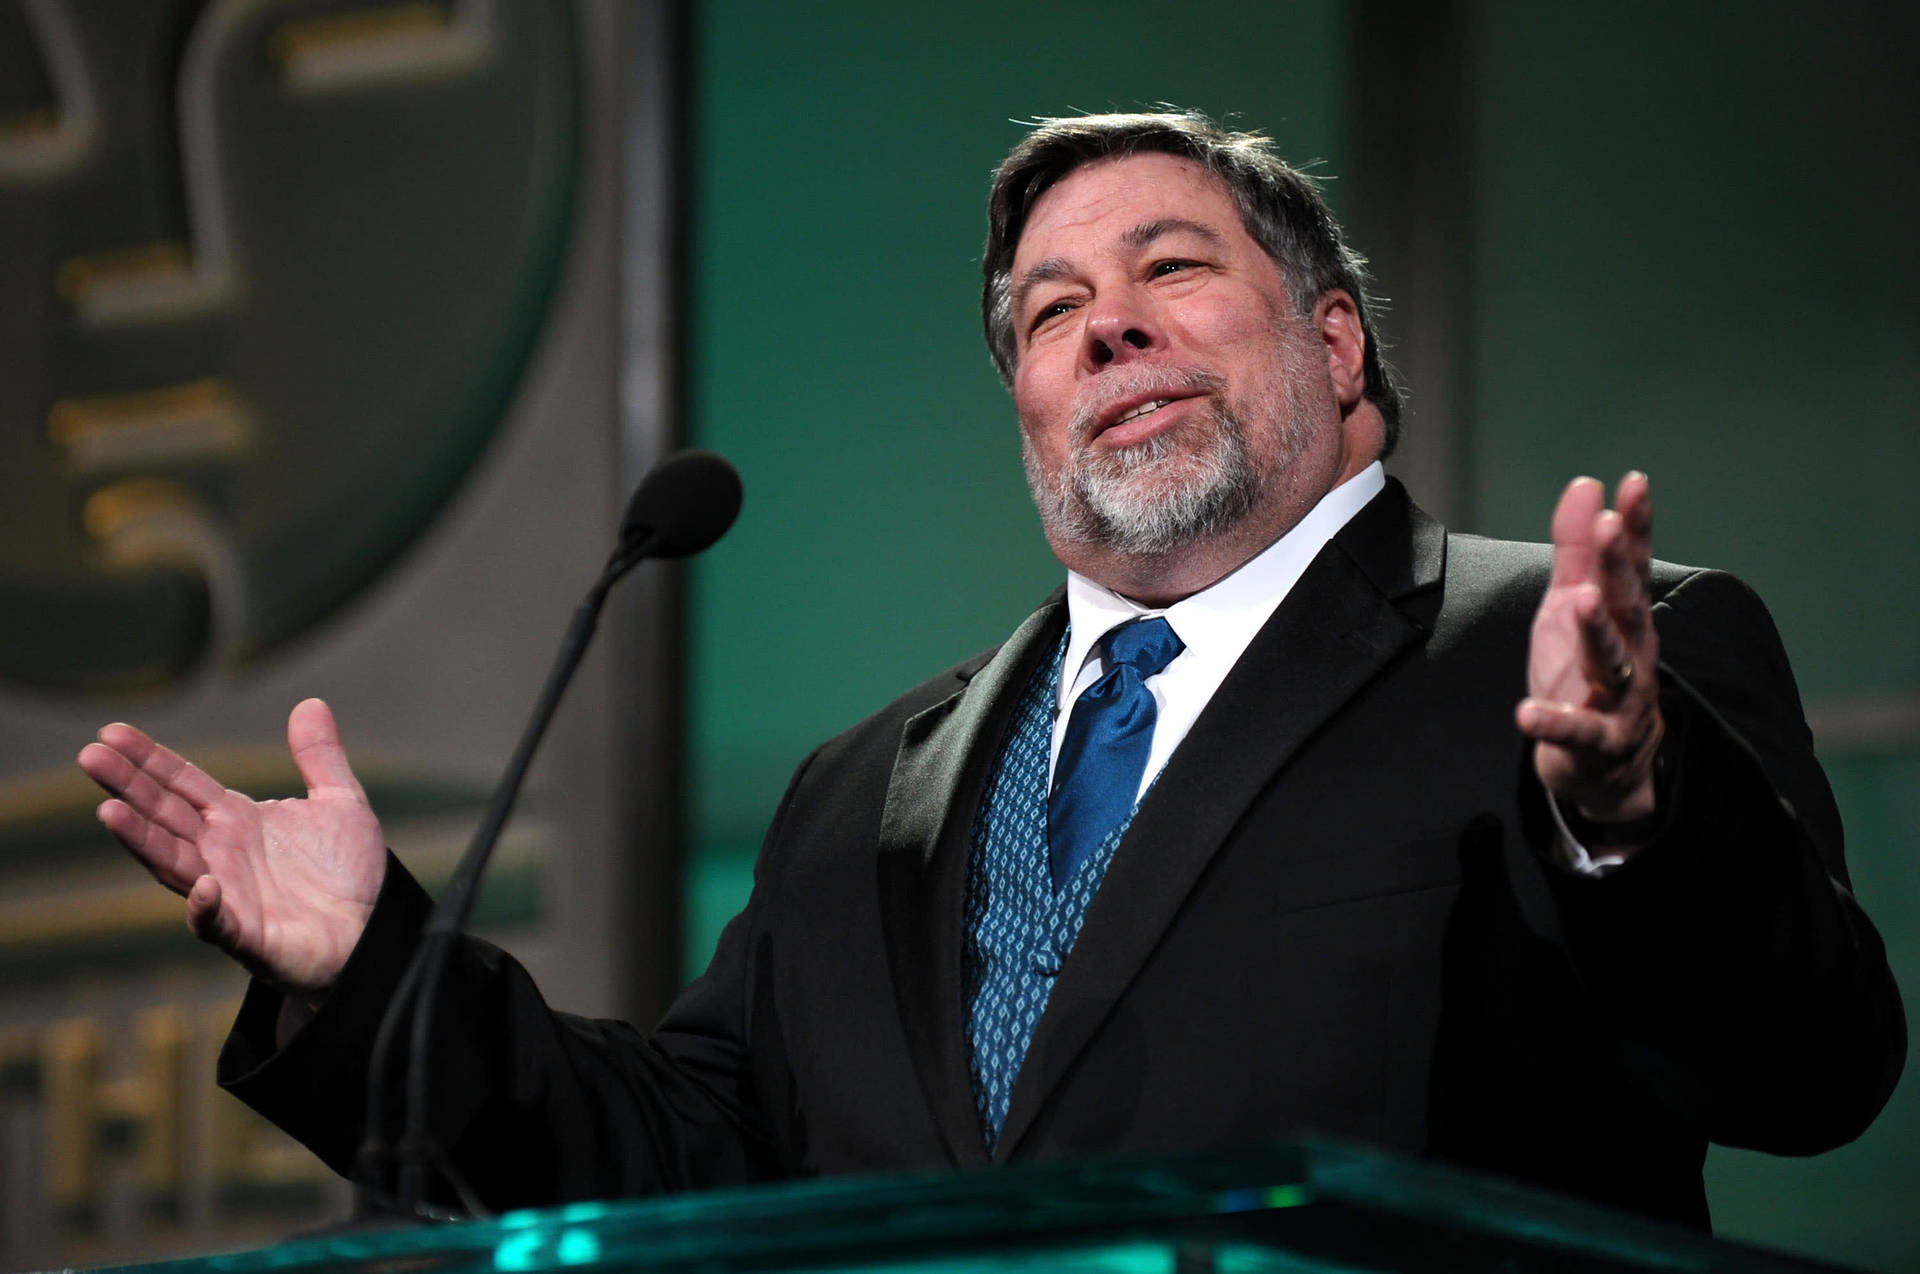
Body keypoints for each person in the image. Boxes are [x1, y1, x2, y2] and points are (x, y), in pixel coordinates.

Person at [79, 110, 1903, 1230]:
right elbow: (692, 1151)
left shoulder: (1562, 656)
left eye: (1172, 271)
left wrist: (1632, 817)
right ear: (1029, 405)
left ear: (1337, 347)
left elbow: (1814, 1071)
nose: (1104, 320)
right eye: (1047, 310)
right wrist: (371, 969)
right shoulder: (870, 783)